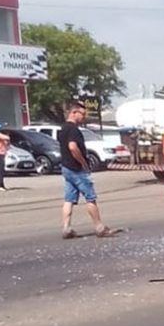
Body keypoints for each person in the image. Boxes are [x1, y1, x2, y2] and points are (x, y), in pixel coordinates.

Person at [59, 102, 115, 239]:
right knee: (90, 198)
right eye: (82, 114)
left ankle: (66, 228)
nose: (83, 117)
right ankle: (99, 227)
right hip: (77, 169)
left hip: (66, 168)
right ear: (74, 113)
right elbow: (73, 147)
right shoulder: (73, 130)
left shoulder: (62, 129)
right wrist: (83, 163)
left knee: (69, 199)